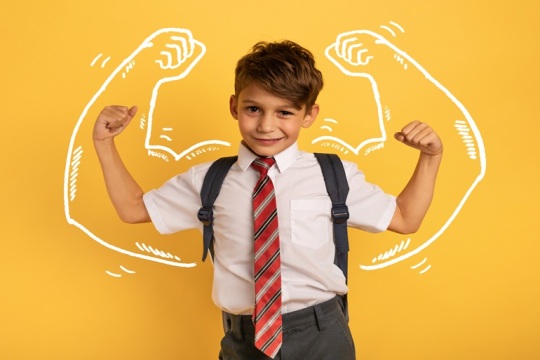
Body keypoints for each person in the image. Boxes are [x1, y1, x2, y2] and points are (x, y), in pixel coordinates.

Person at [93, 40, 443, 360]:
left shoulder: (334, 175)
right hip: (244, 340)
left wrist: (430, 157)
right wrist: (105, 144)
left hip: (321, 335)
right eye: (254, 109)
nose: (266, 125)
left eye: (285, 113)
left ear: (309, 115)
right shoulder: (209, 179)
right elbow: (133, 208)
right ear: (234, 106)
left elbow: (405, 218)